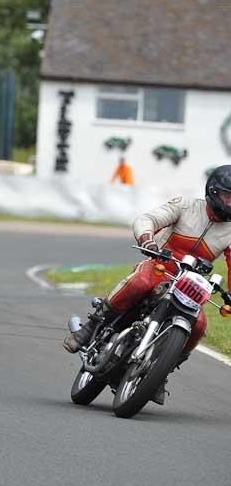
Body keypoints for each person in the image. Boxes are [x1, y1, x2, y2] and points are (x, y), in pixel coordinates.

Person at [63, 165, 231, 404]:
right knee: (141, 282)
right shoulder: (185, 206)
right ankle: (91, 326)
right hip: (160, 266)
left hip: (189, 283)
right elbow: (147, 219)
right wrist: (148, 241)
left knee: (200, 325)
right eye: (227, 196)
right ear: (213, 191)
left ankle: (162, 370)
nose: (230, 203)